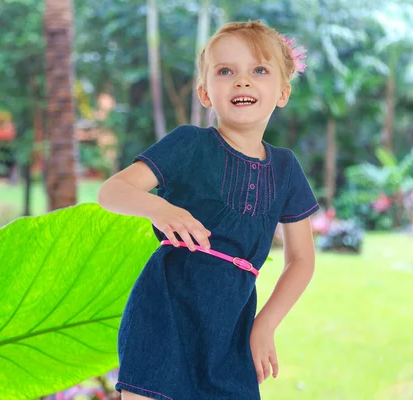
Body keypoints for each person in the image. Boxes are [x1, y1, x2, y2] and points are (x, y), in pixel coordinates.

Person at [97, 20, 319, 400]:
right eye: (226, 71)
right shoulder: (188, 144)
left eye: (259, 70)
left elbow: (301, 259)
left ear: (283, 92)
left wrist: (264, 327)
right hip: (164, 310)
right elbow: (111, 191)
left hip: (232, 325)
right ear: (205, 93)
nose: (242, 81)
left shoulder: (286, 168)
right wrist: (159, 208)